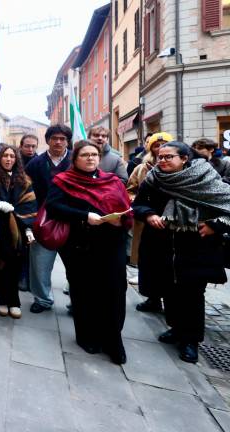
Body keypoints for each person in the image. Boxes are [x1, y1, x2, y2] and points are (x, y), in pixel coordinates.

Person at [133, 141, 230, 363]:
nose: (163, 161)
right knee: (170, 290)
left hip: (197, 245)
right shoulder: (154, 179)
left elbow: (227, 203)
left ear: (184, 158)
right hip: (163, 243)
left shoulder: (205, 177)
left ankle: (191, 341)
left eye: (169, 157)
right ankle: (176, 328)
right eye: (160, 157)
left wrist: (215, 225)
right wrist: (149, 215)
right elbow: (139, 204)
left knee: (192, 294)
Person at [46, 141, 133, 364]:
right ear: (75, 159)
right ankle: (87, 336)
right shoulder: (63, 180)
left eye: (94, 154)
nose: (91, 158)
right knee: (84, 290)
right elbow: (54, 207)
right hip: (79, 245)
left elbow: (125, 207)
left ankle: (113, 340)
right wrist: (85, 216)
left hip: (111, 244)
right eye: (85, 155)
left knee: (114, 290)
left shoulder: (112, 181)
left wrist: (121, 220)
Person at [24, 124, 73, 313]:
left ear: (67, 141)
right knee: (40, 264)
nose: (58, 142)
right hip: (42, 220)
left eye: (62, 138)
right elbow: (26, 192)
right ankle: (43, 299)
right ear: (48, 140)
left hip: (72, 221)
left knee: (75, 266)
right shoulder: (35, 164)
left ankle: (77, 301)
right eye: (54, 138)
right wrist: (30, 219)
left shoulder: (76, 160)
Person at [127, 132, 173, 312]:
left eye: (164, 145)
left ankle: (170, 304)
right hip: (145, 220)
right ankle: (152, 298)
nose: (160, 148)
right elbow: (130, 189)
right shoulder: (141, 168)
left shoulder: (178, 169)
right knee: (148, 262)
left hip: (170, 224)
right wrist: (134, 200)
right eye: (156, 145)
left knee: (167, 266)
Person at [0, 144, 37, 319]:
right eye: (5, 156)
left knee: (16, 267)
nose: (8, 159)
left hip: (18, 229)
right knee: (0, 266)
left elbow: (30, 205)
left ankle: (14, 302)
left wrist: (28, 228)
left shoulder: (24, 180)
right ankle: (2, 300)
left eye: (12, 156)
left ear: (16, 159)